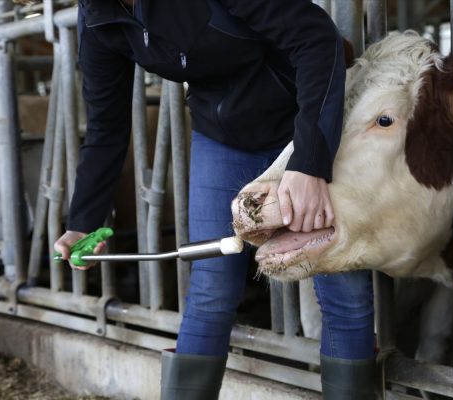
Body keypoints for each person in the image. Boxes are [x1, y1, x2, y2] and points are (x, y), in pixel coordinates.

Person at [53, 1, 376, 399]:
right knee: (211, 289)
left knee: (343, 287)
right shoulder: (100, 16)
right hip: (223, 136)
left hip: (303, 121)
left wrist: (310, 161)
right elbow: (106, 125)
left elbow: (315, 37)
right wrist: (82, 220)